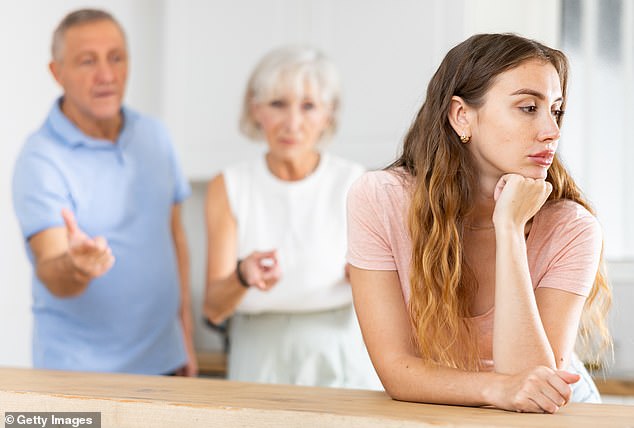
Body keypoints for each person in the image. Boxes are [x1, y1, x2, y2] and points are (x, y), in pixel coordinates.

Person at [346, 33, 612, 413]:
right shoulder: (380, 199)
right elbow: (397, 369)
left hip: (555, 410)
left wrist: (510, 231)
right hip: (455, 404)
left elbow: (533, 385)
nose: (552, 131)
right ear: (461, 116)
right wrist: (496, 389)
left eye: (556, 110)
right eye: (527, 108)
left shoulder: (572, 228)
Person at [12, 9, 197, 376]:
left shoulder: (155, 136)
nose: (107, 76)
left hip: (166, 365)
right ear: (57, 72)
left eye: (116, 58)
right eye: (87, 61)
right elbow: (53, 270)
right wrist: (75, 266)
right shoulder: (40, 159)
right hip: (81, 376)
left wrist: (185, 338)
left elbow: (175, 239)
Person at [203, 46, 380, 389]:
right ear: (256, 110)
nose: (292, 123)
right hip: (258, 353)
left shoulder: (355, 183)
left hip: (343, 347)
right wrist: (243, 275)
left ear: (329, 114)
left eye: (309, 106)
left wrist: (366, 279)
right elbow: (213, 309)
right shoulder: (229, 186)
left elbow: (397, 298)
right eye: (277, 104)